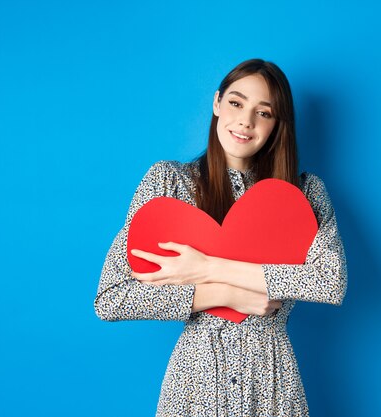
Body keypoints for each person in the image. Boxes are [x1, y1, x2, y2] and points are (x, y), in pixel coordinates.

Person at [94, 58, 347, 417]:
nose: (246, 120)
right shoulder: (170, 183)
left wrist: (208, 266)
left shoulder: (305, 194)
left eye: (264, 112)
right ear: (216, 103)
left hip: (273, 379)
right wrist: (224, 293)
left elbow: (330, 282)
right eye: (236, 103)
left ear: (278, 125)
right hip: (195, 383)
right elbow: (112, 298)